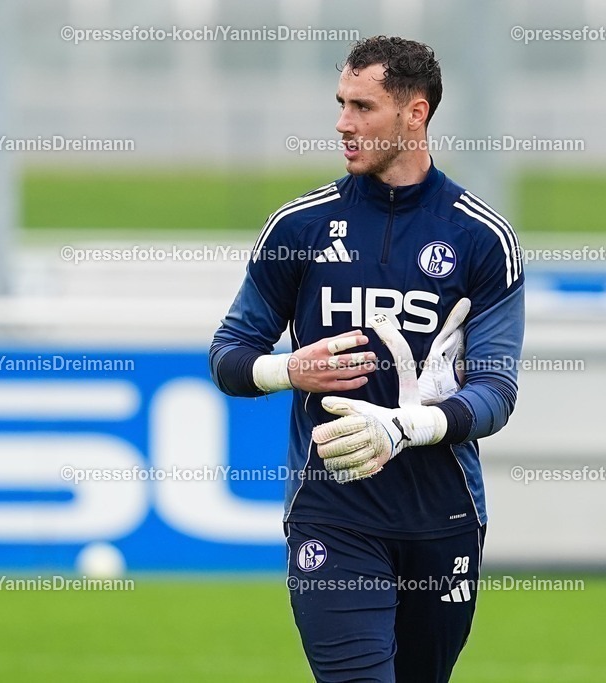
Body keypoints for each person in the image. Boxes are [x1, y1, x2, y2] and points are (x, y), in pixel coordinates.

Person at [210, 35, 525, 683]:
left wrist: (404, 426)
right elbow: (229, 354)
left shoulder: (481, 239)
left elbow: (497, 392)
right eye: (341, 104)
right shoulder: (298, 228)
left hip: (443, 517)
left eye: (362, 107)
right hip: (333, 512)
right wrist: (287, 369)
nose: (343, 123)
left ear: (415, 113)